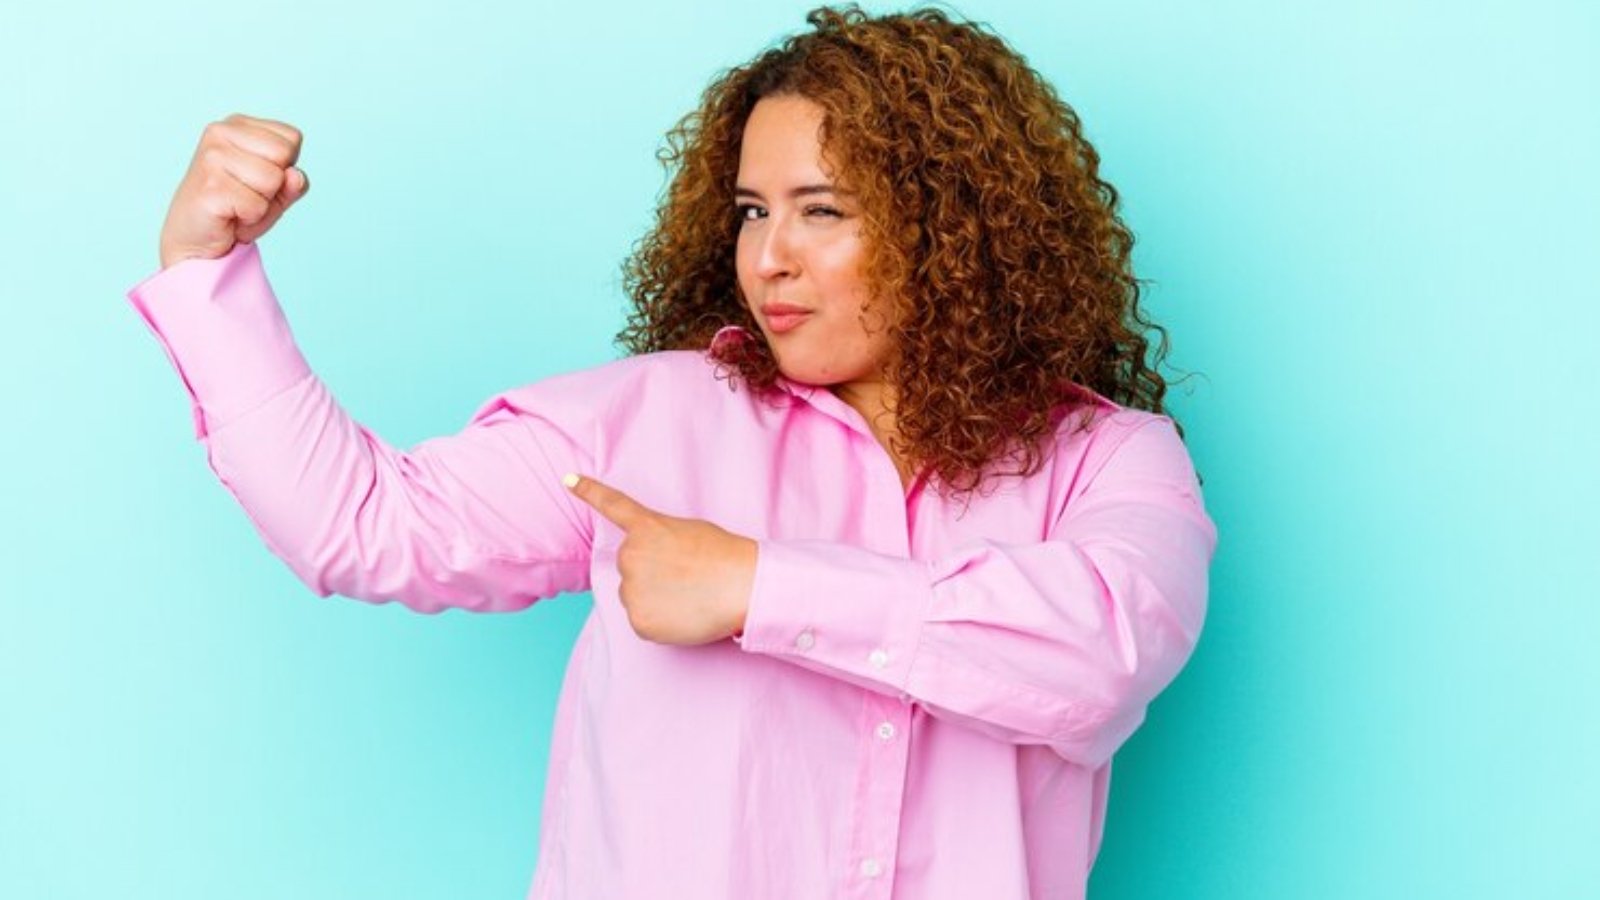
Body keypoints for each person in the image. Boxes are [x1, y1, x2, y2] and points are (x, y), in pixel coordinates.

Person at [126, 5, 1217, 898]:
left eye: (821, 211)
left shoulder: (1112, 459)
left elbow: (1100, 656)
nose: (768, 258)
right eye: (750, 211)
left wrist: (753, 583)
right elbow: (363, 528)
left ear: (956, 227)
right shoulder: (642, 425)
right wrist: (204, 272)